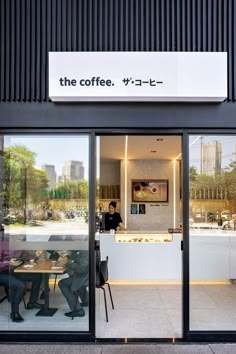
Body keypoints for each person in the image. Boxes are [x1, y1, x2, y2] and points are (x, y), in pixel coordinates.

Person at [0, 237, 42, 322]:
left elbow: (27, 257)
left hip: (13, 271)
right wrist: (8, 263)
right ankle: (14, 312)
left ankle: (32, 302)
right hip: (1, 272)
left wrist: (36, 256)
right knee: (20, 285)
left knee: (38, 276)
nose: (21, 238)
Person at [58, 250, 89, 318]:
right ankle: (86, 301)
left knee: (62, 284)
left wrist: (67, 263)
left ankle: (78, 310)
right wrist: (70, 253)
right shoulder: (86, 248)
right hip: (88, 276)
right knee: (72, 275)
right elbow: (80, 259)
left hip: (85, 278)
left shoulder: (85, 250)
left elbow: (81, 269)